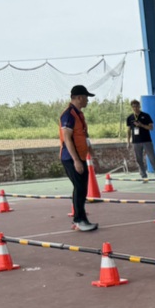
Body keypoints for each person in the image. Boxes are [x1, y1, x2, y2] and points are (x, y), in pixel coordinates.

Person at [60, 84, 99, 232]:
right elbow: (67, 139)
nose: (87, 101)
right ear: (79, 98)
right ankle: (79, 220)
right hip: (70, 158)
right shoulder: (68, 115)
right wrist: (76, 160)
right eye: (86, 98)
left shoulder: (79, 115)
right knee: (80, 188)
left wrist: (90, 153)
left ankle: (81, 219)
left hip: (81, 156)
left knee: (82, 189)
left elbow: (84, 135)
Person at [127, 99, 155, 179]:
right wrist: (128, 142)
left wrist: (141, 125)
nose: (135, 108)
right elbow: (128, 130)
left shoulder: (146, 116)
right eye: (133, 107)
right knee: (139, 159)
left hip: (146, 140)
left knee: (152, 158)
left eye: (137, 106)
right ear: (132, 108)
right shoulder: (129, 118)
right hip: (136, 142)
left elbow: (151, 127)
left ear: (139, 106)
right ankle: (143, 175)